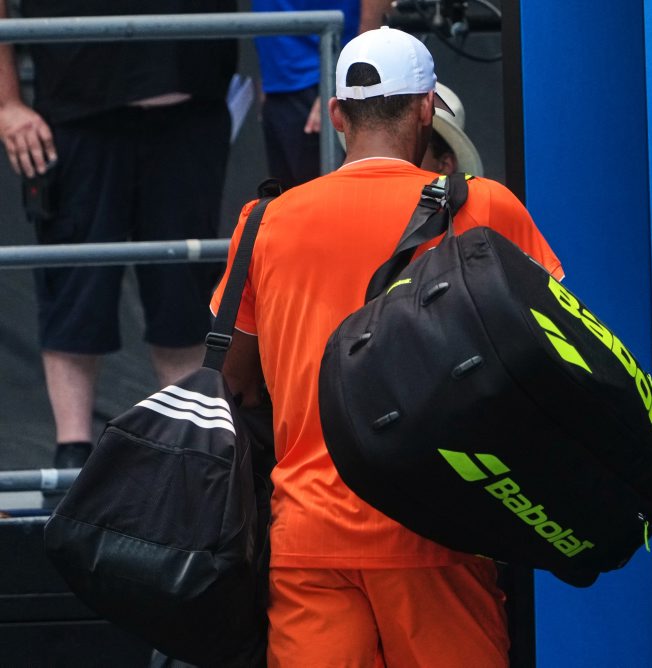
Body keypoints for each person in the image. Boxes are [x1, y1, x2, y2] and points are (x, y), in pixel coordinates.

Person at [212, 26, 563, 667]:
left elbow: (235, 377)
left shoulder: (263, 222)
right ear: (429, 108)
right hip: (444, 530)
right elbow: (560, 355)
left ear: (338, 115)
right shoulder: (484, 207)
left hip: (308, 536)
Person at [0, 0, 237, 477]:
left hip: (192, 107)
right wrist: (6, 103)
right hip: (77, 113)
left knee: (184, 293)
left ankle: (187, 450)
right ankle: (71, 455)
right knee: (73, 287)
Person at [252, 0, 393, 188]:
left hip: (322, 77)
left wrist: (345, 81)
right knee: (288, 206)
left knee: (326, 205)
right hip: (279, 85)